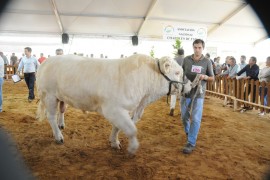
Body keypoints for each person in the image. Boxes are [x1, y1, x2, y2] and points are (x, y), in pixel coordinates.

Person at [181, 39, 214, 154]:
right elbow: (181, 73)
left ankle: (191, 142)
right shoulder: (186, 60)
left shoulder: (207, 61)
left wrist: (205, 77)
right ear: (193, 47)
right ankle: (188, 131)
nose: (197, 50)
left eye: (199, 48)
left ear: (203, 48)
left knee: (195, 118)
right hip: (186, 92)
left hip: (199, 94)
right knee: (184, 117)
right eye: (195, 47)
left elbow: (212, 78)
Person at [169, 48, 185, 116]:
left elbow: (171, 69)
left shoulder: (173, 59)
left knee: (173, 94)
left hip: (175, 78)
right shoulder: (186, 59)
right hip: (182, 79)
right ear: (183, 53)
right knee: (182, 95)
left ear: (178, 53)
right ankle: (182, 111)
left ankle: (172, 108)